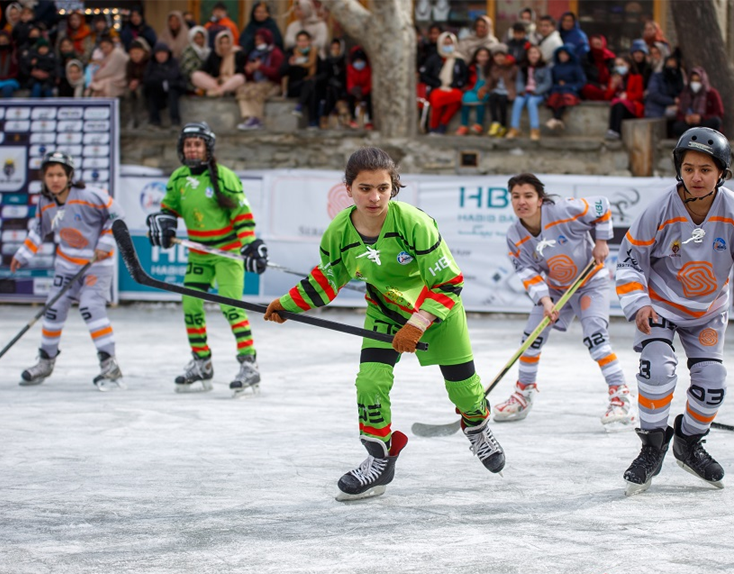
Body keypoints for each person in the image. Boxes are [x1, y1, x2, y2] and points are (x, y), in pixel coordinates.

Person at [263, 147, 506, 501]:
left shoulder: (414, 223)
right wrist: (285, 304)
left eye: (383, 188)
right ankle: (380, 458)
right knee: (369, 385)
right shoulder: (338, 233)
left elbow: (449, 283)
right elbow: (326, 280)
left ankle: (477, 428)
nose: (374, 197)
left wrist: (420, 321)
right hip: (386, 313)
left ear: (394, 187)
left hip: (438, 314)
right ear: (348, 188)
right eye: (365, 188)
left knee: (465, 392)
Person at [615, 127, 734, 495]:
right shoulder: (660, 209)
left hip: (708, 312)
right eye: (689, 168)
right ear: (680, 169)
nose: (696, 177)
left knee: (712, 386)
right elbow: (628, 261)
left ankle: (688, 442)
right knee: (656, 368)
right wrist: (639, 302)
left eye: (705, 169)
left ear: (721, 173)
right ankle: (652, 447)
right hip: (660, 307)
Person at [495, 173, 634, 428]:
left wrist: (602, 241)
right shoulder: (515, 235)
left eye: (528, 196)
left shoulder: (562, 210)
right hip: (557, 290)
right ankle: (523, 394)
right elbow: (527, 272)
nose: (521, 202)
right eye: (516, 196)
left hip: (590, 282)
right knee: (530, 339)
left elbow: (601, 205)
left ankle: (620, 396)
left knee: (596, 339)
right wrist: (545, 300)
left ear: (539, 199)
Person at [146, 123, 268, 396]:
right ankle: (202, 362)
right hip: (199, 253)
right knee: (190, 304)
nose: (192, 148)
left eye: (197, 144)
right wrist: (163, 225)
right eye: (188, 144)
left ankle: (249, 364)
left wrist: (249, 245)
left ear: (207, 148)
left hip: (227, 253)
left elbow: (242, 217)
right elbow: (168, 210)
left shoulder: (225, 176)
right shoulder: (178, 179)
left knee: (231, 307)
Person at [10, 151, 126, 390]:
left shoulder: (90, 195)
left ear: (69, 176)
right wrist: (22, 255)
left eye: (60, 174)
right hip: (67, 266)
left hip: (96, 266)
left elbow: (116, 216)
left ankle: (109, 365)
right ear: (44, 177)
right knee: (52, 309)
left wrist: (105, 243)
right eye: (50, 174)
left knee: (91, 308)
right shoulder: (46, 202)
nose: (55, 180)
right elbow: (40, 230)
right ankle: (45, 362)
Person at [419, 31, 468, 134]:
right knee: (436, 100)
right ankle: (434, 127)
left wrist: (457, 84)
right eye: (445, 43)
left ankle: (443, 123)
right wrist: (436, 83)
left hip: (453, 88)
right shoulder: (434, 59)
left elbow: (464, 76)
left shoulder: (459, 60)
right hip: (438, 88)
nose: (448, 46)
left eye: (450, 43)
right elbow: (424, 75)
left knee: (457, 98)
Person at [235, 28, 283, 131]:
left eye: (261, 39)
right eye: (256, 40)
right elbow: (250, 75)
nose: (258, 42)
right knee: (242, 90)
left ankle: (257, 119)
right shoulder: (254, 53)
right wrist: (249, 70)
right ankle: (249, 117)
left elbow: (277, 73)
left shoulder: (275, 53)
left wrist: (260, 67)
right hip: (256, 82)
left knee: (255, 91)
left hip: (272, 84)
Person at [507, 44, 551, 140]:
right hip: (525, 91)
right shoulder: (523, 67)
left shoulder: (545, 67)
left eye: (535, 53)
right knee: (518, 101)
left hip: (538, 93)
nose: (533, 55)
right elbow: (519, 81)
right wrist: (521, 90)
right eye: (530, 53)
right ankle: (514, 128)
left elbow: (547, 83)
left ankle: (535, 129)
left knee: (531, 102)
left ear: (539, 54)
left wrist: (536, 91)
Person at [279, 30, 319, 127]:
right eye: (300, 41)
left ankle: (301, 108)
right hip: (294, 86)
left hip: (309, 85)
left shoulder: (314, 54)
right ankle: (312, 121)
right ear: (297, 42)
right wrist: (290, 64)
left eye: (305, 41)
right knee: (310, 86)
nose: (302, 43)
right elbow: (281, 72)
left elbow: (322, 72)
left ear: (309, 42)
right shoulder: (291, 54)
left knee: (311, 86)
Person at [191, 29, 246, 98]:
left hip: (230, 81)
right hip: (216, 82)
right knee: (195, 75)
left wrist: (225, 79)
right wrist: (217, 79)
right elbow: (204, 70)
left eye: (226, 43)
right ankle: (219, 90)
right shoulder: (214, 54)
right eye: (221, 43)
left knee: (240, 78)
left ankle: (219, 91)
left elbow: (240, 72)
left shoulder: (238, 53)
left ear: (231, 42)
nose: (224, 46)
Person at [672, 66, 723, 138]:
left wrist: (701, 118)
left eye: (697, 80)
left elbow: (719, 113)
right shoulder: (685, 94)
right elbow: (679, 114)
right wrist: (686, 119)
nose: (695, 83)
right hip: (689, 125)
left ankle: (698, 135)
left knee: (716, 121)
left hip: (704, 124)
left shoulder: (711, 93)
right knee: (677, 126)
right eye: (693, 80)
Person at [143, 42, 184, 128]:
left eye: (163, 53)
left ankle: (175, 122)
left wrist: (164, 80)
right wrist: (162, 80)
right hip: (156, 90)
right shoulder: (151, 64)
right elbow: (148, 79)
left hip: (173, 88)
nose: (161, 56)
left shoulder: (174, 62)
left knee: (173, 94)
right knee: (152, 94)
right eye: (159, 53)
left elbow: (175, 76)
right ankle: (154, 122)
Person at [480, 43, 517, 138]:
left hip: (508, 91)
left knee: (502, 100)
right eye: (497, 56)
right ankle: (495, 122)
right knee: (492, 98)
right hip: (496, 90)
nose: (499, 58)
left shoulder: (512, 67)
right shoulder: (493, 68)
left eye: (501, 56)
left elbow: (515, 80)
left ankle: (503, 125)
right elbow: (489, 81)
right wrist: (484, 89)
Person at [603, 55, 644, 140]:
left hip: (631, 107)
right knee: (616, 102)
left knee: (619, 104)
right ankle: (612, 130)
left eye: (621, 65)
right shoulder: (614, 78)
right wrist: (613, 86)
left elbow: (639, 95)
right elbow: (607, 97)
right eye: (617, 65)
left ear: (628, 65)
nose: (619, 67)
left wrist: (627, 95)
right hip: (618, 105)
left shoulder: (637, 78)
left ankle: (616, 131)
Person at [545, 45, 585, 130]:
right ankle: (558, 119)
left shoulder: (576, 67)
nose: (562, 56)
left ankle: (555, 118)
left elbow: (581, 81)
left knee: (565, 98)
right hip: (557, 89)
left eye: (565, 54)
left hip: (570, 90)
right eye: (561, 54)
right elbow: (551, 81)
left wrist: (571, 87)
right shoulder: (555, 67)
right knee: (553, 98)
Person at [456, 46, 491, 136]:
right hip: (473, 88)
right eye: (480, 55)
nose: (483, 58)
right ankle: (464, 125)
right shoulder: (472, 68)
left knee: (480, 99)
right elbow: (468, 79)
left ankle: (479, 124)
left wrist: (485, 89)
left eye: (485, 56)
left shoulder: (491, 68)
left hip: (486, 89)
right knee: (465, 98)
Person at [317, 38, 349, 129]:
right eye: (333, 48)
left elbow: (345, 77)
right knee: (330, 90)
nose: (335, 50)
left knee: (335, 89)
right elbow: (325, 76)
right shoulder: (327, 61)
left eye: (337, 48)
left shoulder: (344, 61)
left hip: (343, 87)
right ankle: (340, 108)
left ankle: (325, 117)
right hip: (329, 87)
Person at [644, 52, 684, 119]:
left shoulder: (679, 77)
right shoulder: (657, 77)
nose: (671, 66)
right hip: (656, 110)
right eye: (669, 64)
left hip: (675, 109)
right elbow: (654, 94)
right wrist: (672, 101)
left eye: (674, 65)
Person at [124, 38, 151, 129]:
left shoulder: (149, 62)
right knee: (127, 93)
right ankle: (131, 118)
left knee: (140, 92)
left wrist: (138, 81)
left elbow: (149, 76)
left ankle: (143, 118)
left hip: (147, 85)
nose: (135, 56)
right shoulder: (129, 63)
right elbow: (128, 76)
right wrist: (131, 82)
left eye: (137, 53)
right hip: (133, 85)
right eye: (132, 53)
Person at [580, 34, 615, 100]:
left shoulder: (610, 57)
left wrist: (608, 85)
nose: (596, 46)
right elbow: (584, 77)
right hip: (595, 86)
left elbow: (613, 73)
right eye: (594, 44)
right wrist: (598, 86)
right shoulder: (586, 59)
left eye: (598, 44)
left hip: (609, 86)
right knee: (587, 89)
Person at [346, 46, 372, 129]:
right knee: (349, 98)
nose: (359, 63)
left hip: (365, 91)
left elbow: (370, 84)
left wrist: (363, 91)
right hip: (355, 91)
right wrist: (353, 90)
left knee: (369, 99)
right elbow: (349, 82)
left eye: (361, 61)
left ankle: (369, 120)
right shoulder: (350, 69)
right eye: (357, 61)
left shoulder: (368, 70)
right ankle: (352, 118)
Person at [180, 26, 210, 94]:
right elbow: (188, 70)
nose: (199, 41)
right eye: (196, 38)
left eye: (201, 38)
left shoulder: (208, 51)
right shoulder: (188, 51)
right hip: (191, 83)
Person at [0, 30, 19, 98]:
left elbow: (16, 71)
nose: (2, 43)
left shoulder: (14, 54)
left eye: (4, 41)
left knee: (8, 88)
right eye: (0, 42)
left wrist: (5, 78)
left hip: (10, 80)